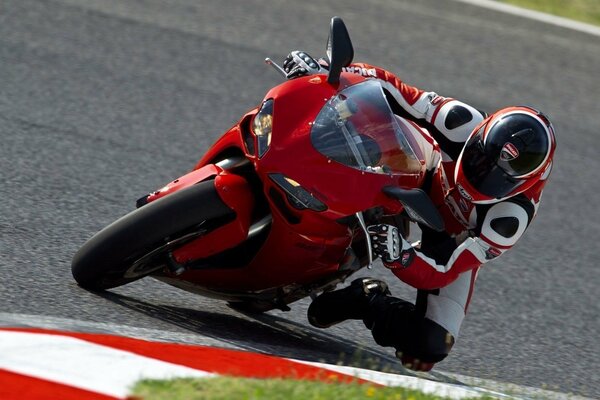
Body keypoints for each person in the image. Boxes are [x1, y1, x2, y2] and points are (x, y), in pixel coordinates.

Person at [283, 51, 556, 371]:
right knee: (357, 116)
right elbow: (395, 89)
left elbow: (444, 272)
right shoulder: (461, 120)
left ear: (524, 184)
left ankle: (366, 299)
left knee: (429, 346)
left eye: (496, 177)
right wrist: (331, 70)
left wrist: (403, 258)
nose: (481, 175)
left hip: (448, 240)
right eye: (480, 159)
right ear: (479, 135)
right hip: (418, 174)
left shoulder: (509, 219)